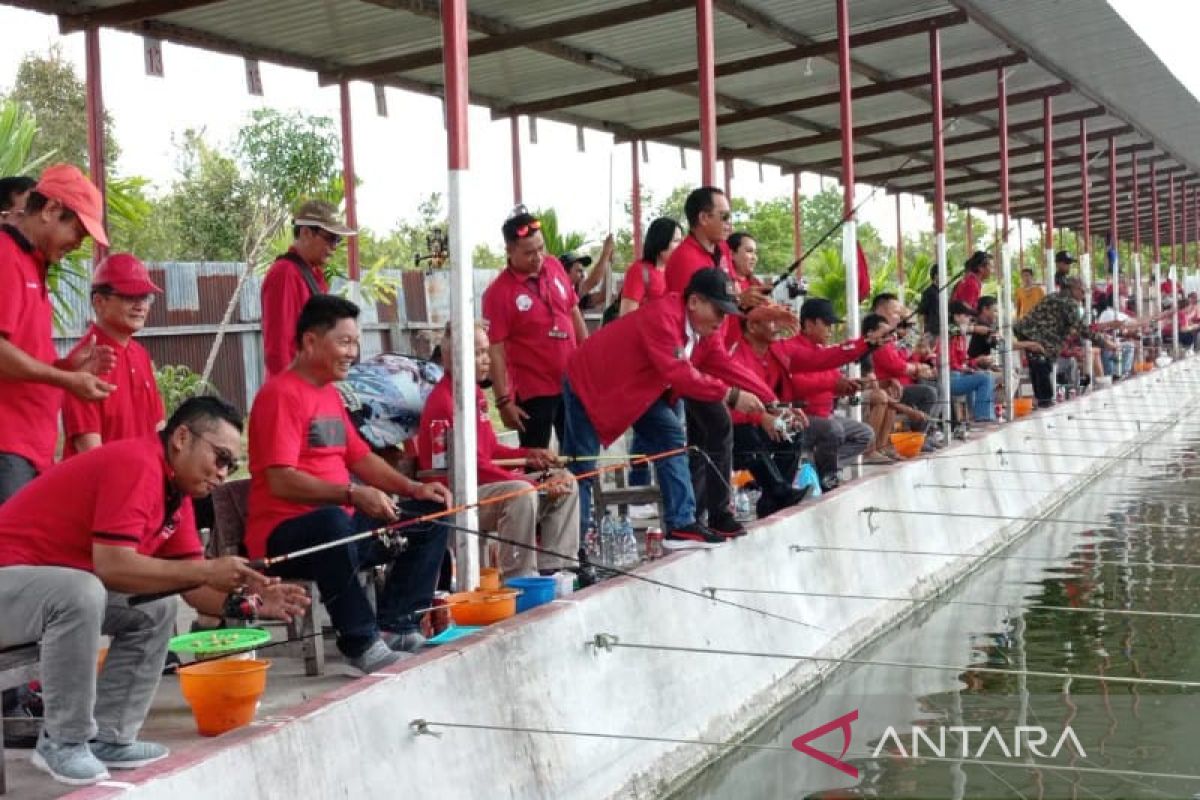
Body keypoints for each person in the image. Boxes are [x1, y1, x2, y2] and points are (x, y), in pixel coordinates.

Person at [0, 396, 309, 787]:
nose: (223, 473)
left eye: (230, 465)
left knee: (156, 607)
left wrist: (251, 604)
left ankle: (108, 736)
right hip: (10, 583)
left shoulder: (174, 493)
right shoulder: (137, 464)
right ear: (182, 437)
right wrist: (208, 569)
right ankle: (63, 741)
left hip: (33, 595)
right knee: (81, 591)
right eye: (220, 458)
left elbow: (191, 588)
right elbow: (112, 565)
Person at [247, 294, 452, 673]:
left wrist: (414, 490)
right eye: (345, 342)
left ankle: (398, 625)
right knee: (332, 523)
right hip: (285, 536)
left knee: (430, 513)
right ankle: (361, 642)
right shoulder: (280, 395)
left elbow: (359, 457)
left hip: (341, 522)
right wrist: (351, 494)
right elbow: (280, 480)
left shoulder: (328, 393)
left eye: (356, 342)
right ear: (311, 342)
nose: (353, 353)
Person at [562, 268, 774, 548]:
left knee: (671, 438)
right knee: (583, 470)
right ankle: (574, 553)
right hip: (590, 383)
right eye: (719, 311)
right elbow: (680, 374)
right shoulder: (663, 317)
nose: (723, 320)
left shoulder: (705, 331)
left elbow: (725, 365)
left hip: (639, 391)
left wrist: (771, 401)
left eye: (727, 313)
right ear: (694, 301)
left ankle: (681, 525)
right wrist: (732, 396)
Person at [418, 321, 578, 579]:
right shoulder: (445, 402)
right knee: (522, 492)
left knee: (568, 481)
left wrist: (530, 454)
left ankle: (556, 568)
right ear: (454, 356)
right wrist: (535, 483)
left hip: (480, 488)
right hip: (455, 499)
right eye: (478, 353)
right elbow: (474, 468)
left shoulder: (476, 395)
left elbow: (490, 449)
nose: (486, 360)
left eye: (486, 352)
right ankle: (520, 576)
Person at [0, 164, 117, 503]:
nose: (78, 244)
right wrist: (66, 380)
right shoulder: (6, 256)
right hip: (8, 446)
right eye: (77, 231)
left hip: (30, 446)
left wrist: (67, 367)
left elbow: (21, 357)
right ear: (50, 210)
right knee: (12, 554)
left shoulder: (31, 262)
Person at [482, 210, 588, 450]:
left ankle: (580, 489)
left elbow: (573, 312)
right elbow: (495, 350)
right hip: (534, 391)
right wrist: (503, 401)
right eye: (529, 252)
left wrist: (588, 357)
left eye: (541, 248)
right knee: (538, 462)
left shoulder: (554, 266)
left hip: (572, 382)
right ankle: (537, 488)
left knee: (578, 456)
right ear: (509, 251)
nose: (538, 257)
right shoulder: (498, 293)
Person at [62, 254, 166, 456]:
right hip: (101, 484)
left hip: (142, 480)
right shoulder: (84, 362)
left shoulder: (140, 354)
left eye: (145, 297)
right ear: (99, 302)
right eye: (129, 296)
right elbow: (90, 453)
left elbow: (158, 427)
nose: (141, 305)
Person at [727, 305, 810, 517]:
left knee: (794, 430)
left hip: (761, 422)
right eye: (771, 322)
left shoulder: (774, 355)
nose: (777, 327)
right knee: (746, 434)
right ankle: (778, 491)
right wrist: (762, 416)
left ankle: (774, 496)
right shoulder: (736, 355)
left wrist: (785, 410)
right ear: (753, 327)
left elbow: (771, 398)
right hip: (734, 431)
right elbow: (732, 408)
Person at [785, 298, 875, 490]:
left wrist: (850, 385)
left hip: (826, 417)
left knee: (865, 434)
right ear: (809, 324)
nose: (830, 330)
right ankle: (828, 477)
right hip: (802, 418)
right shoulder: (792, 349)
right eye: (826, 324)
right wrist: (834, 383)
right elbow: (796, 384)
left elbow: (834, 381)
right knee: (833, 429)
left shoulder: (821, 350)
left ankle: (820, 470)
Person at [260, 199, 357, 377]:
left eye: (338, 240)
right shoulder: (285, 273)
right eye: (330, 238)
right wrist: (292, 390)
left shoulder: (313, 275)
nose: (334, 247)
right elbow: (279, 347)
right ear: (305, 232)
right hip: (294, 389)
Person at [1013, 276, 1112, 407]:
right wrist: (1105, 343)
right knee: (1041, 368)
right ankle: (1044, 402)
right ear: (1074, 289)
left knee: (1037, 368)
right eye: (1082, 291)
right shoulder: (1069, 303)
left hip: (1027, 334)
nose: (1083, 295)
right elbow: (1082, 329)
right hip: (1039, 338)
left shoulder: (1054, 296)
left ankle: (1042, 400)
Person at [665, 187, 768, 313]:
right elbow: (694, 315)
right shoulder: (685, 259)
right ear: (703, 218)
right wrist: (739, 300)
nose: (729, 223)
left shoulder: (723, 247)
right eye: (724, 216)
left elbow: (730, 288)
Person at [869, 293, 939, 440]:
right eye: (895, 312)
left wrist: (923, 361)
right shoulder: (877, 332)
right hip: (884, 386)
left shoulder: (890, 335)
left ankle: (923, 434)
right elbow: (895, 364)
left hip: (895, 384)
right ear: (881, 311)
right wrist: (918, 368)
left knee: (936, 387)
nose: (899, 318)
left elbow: (902, 359)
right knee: (928, 393)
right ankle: (916, 438)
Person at [945, 302, 997, 424]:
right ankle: (983, 417)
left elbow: (964, 361)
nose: (970, 319)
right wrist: (974, 328)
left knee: (986, 374)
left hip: (960, 375)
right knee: (985, 378)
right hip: (950, 378)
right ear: (956, 317)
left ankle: (981, 415)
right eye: (967, 316)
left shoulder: (961, 336)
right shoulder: (948, 333)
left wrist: (977, 361)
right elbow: (952, 364)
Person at [619, 217, 682, 316]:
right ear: (661, 241)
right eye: (676, 241)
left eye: (681, 241)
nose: (680, 246)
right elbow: (626, 316)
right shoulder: (639, 271)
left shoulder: (676, 271)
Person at [562, 233, 612, 312]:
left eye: (583, 270)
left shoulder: (578, 295)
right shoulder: (563, 292)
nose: (583, 275)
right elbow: (594, 281)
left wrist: (608, 263)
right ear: (565, 272)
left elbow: (602, 296)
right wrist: (606, 253)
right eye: (579, 271)